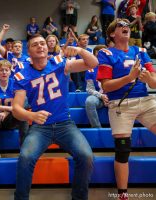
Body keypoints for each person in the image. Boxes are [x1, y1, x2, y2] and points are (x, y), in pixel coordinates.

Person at [12, 34, 96, 200]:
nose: (40, 46)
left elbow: (93, 63)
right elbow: (15, 109)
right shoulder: (22, 75)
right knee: (25, 157)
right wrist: (31, 115)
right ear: (28, 51)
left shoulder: (59, 64)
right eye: (35, 44)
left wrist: (79, 49)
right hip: (40, 127)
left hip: (65, 123)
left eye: (43, 43)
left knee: (86, 156)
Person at [97, 18, 156, 200]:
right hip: (120, 103)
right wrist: (129, 77)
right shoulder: (106, 53)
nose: (125, 28)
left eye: (127, 26)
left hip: (145, 100)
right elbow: (106, 86)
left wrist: (148, 80)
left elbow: (154, 81)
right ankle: (123, 194)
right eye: (120, 26)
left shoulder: (140, 51)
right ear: (112, 34)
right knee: (123, 149)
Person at [0, 60, 29, 159]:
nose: (4, 72)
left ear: (10, 72)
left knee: (23, 111)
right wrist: (10, 108)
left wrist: (6, 112)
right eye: (1, 70)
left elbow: (22, 103)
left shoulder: (16, 84)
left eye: (6, 70)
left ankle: (25, 148)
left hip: (13, 119)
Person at [85, 45, 109, 128]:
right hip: (99, 97)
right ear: (94, 56)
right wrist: (101, 96)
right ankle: (97, 128)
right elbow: (89, 89)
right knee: (89, 101)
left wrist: (111, 96)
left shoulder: (114, 67)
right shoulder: (91, 70)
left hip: (114, 96)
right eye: (98, 54)